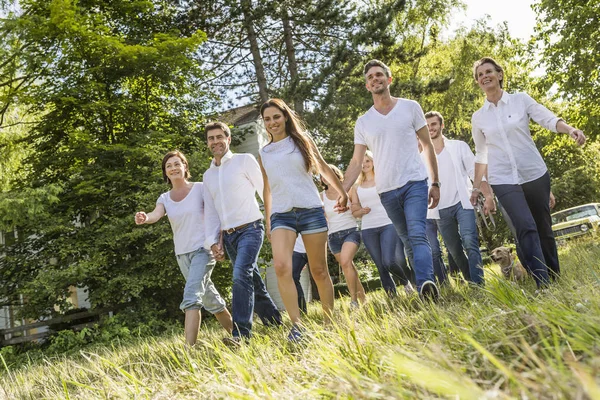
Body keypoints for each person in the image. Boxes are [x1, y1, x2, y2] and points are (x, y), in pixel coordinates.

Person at [471, 57, 586, 288]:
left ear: (500, 75)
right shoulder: (478, 117)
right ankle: (542, 282)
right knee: (525, 226)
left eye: (489, 71)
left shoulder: (520, 100)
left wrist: (570, 129)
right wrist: (476, 187)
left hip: (533, 173)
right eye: (480, 74)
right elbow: (481, 155)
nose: (485, 76)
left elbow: (548, 119)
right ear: (478, 82)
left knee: (543, 227)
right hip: (503, 179)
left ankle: (554, 277)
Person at [343, 59, 440, 300]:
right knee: (408, 239)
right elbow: (356, 162)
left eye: (379, 75)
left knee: (417, 234)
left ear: (389, 79)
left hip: (414, 182)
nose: (375, 79)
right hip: (386, 191)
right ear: (367, 86)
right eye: (370, 78)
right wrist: (342, 190)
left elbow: (427, 146)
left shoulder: (410, 107)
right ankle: (422, 284)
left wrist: (435, 182)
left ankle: (427, 282)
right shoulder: (363, 122)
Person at [258, 98, 348, 341]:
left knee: (319, 270)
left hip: (310, 210)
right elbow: (267, 188)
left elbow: (324, 169)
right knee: (281, 267)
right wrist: (268, 219)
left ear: (285, 116)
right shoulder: (264, 152)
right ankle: (297, 327)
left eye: (276, 116)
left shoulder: (302, 141)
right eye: (267, 119)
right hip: (281, 215)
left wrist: (342, 192)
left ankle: (330, 324)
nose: (272, 122)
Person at [134, 150, 232, 346]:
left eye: (177, 164)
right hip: (182, 255)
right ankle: (238, 332)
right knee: (210, 298)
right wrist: (146, 218)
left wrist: (219, 240)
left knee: (191, 297)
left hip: (203, 250)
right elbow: (156, 214)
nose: (173, 168)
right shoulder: (165, 198)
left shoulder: (200, 189)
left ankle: (189, 349)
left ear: (185, 167)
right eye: (169, 166)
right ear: (165, 172)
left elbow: (216, 215)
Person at [203, 121, 282, 343]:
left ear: (228, 139)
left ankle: (241, 334)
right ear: (208, 143)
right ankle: (274, 321)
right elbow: (211, 212)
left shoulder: (243, 161)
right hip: (228, 237)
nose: (216, 141)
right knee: (251, 279)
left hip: (251, 228)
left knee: (240, 275)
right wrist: (213, 242)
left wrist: (272, 221)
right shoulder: (208, 176)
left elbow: (265, 191)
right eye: (211, 138)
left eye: (220, 137)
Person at [423, 110, 494, 285]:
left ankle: (480, 284)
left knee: (470, 241)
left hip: (463, 203)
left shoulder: (458, 146)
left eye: (434, 124)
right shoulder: (421, 156)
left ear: (441, 125)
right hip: (439, 210)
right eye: (427, 126)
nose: (430, 128)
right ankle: (471, 281)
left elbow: (474, 171)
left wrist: (487, 195)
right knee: (454, 251)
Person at [350, 150, 415, 297]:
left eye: (368, 161)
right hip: (368, 228)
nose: (365, 164)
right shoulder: (356, 187)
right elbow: (354, 211)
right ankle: (392, 296)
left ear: (373, 162)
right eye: (362, 162)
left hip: (388, 224)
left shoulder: (383, 179)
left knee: (389, 261)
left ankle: (406, 282)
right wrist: (361, 211)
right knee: (380, 266)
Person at [321, 165, 367, 307]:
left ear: (336, 175)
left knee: (346, 263)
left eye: (328, 174)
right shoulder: (321, 196)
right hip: (333, 237)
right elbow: (323, 219)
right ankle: (363, 300)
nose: (325, 177)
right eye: (322, 175)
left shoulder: (348, 189)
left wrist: (352, 208)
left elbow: (356, 208)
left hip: (350, 231)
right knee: (349, 267)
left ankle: (353, 301)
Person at [292, 234, 309, 313]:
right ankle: (302, 311)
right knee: (293, 277)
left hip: (314, 244)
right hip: (297, 249)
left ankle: (328, 311)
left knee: (321, 275)